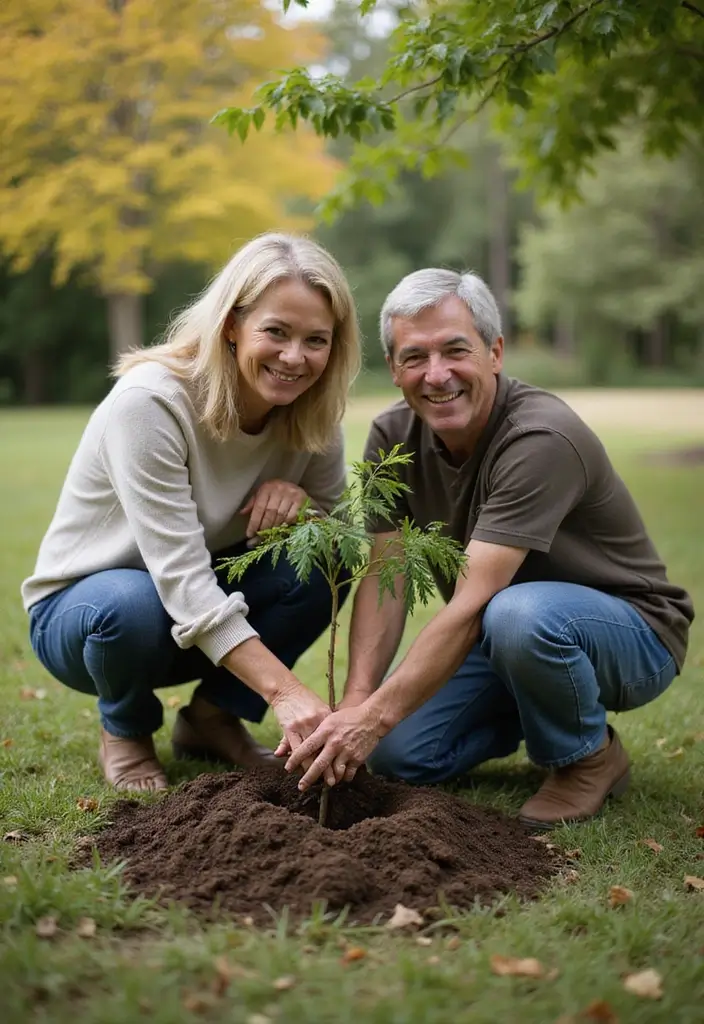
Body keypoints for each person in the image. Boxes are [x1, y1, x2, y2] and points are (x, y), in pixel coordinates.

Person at [282, 267, 694, 829]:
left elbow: (475, 602)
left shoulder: (539, 438)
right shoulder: (392, 436)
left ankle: (587, 760)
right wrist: (358, 706)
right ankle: (540, 703)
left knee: (516, 613)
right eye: (413, 357)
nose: (436, 374)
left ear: (495, 352)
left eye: (456, 350)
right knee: (398, 754)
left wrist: (374, 715)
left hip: (630, 635)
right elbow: (386, 578)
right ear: (395, 369)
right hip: (501, 637)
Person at [22, 232, 361, 793]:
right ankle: (125, 731)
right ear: (231, 324)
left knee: (326, 555)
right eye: (275, 331)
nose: (294, 357)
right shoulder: (152, 402)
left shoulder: (314, 415)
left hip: (193, 616)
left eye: (316, 340)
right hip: (89, 616)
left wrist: (302, 509)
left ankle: (210, 720)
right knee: (129, 604)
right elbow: (179, 577)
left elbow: (336, 536)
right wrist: (284, 691)